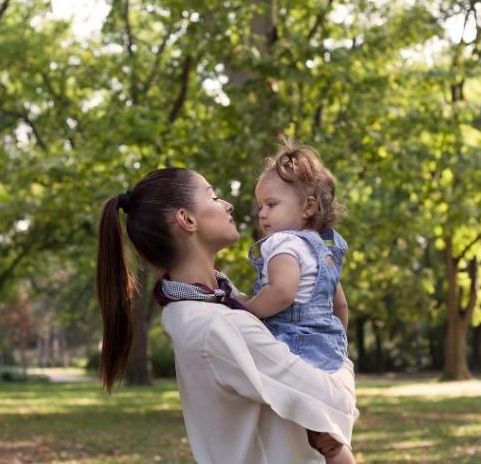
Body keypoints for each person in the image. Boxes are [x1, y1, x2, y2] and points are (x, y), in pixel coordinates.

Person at [96, 167, 358, 464]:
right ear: (187, 219)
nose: (228, 204)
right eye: (214, 196)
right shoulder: (216, 325)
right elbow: (335, 402)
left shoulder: (215, 300)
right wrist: (337, 349)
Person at [241, 142, 350, 376]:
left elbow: (281, 292)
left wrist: (246, 311)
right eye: (261, 206)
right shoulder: (322, 252)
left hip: (292, 348)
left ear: (308, 207)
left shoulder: (281, 243)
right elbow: (339, 305)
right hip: (329, 353)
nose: (262, 213)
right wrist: (337, 341)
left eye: (271, 204)